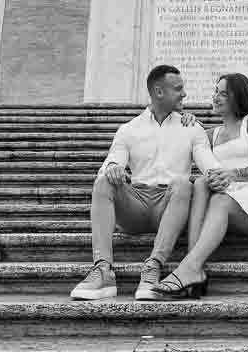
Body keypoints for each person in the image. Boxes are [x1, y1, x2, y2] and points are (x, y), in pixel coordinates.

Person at [70, 64, 222, 301]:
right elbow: (112, 160)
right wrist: (113, 169)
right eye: (178, 89)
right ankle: (102, 270)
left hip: (171, 205)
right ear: (159, 92)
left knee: (184, 183)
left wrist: (219, 175)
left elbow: (208, 163)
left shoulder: (191, 127)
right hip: (136, 206)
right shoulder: (128, 129)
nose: (184, 94)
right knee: (103, 183)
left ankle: (153, 267)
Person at [152, 72, 248, 299]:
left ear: (239, 97)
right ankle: (193, 269)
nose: (216, 97)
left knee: (220, 200)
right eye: (216, 91)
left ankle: (189, 268)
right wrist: (186, 121)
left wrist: (230, 173)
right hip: (230, 201)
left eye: (223, 93)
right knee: (201, 183)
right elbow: (173, 140)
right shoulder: (211, 134)